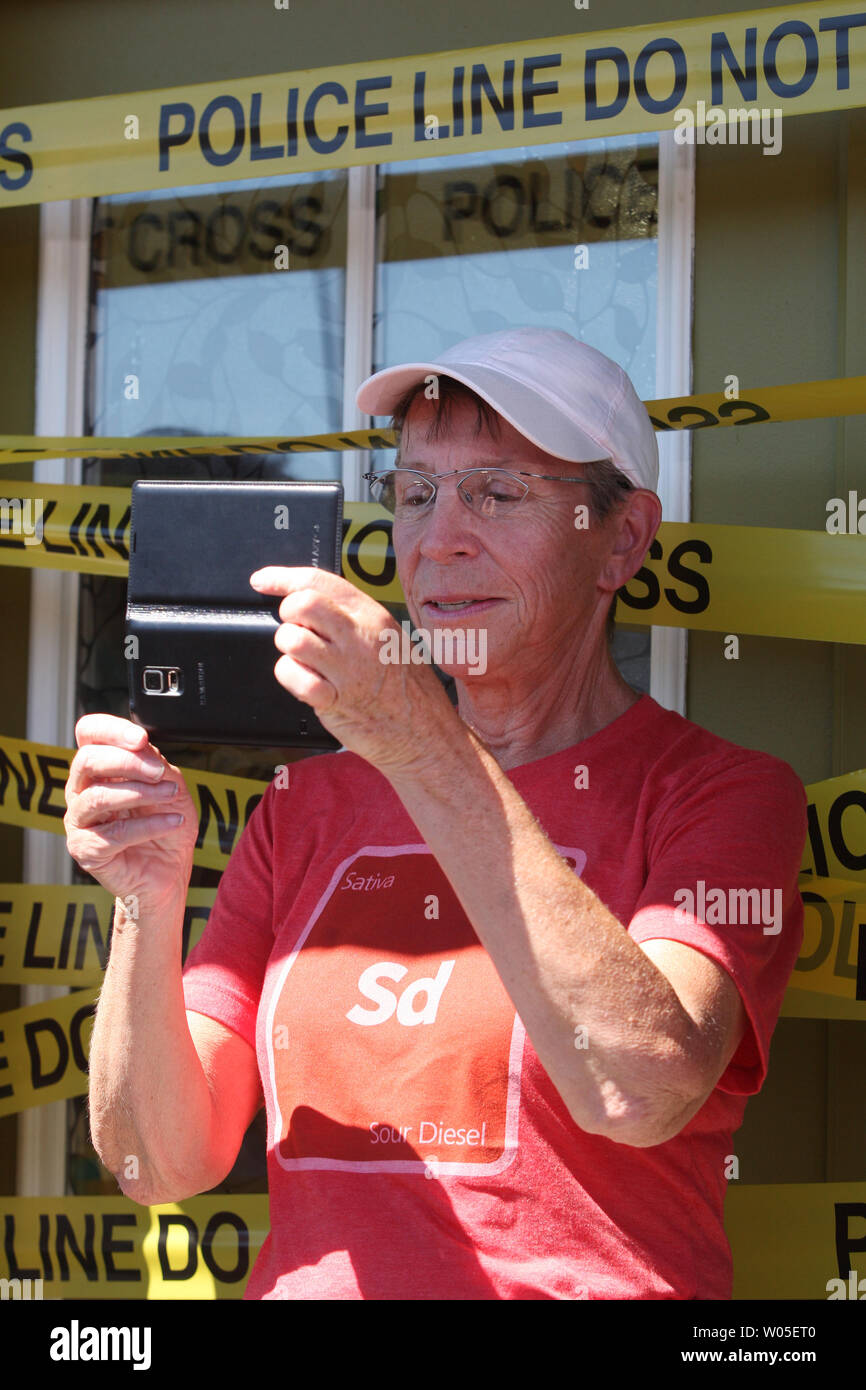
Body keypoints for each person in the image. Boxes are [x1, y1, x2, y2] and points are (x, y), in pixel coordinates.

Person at [65, 326, 806, 1300]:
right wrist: (146, 901)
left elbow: (637, 1084)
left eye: (496, 493)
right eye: (415, 494)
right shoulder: (306, 807)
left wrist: (417, 742)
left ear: (619, 539)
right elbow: (157, 1164)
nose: (439, 537)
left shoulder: (720, 793)